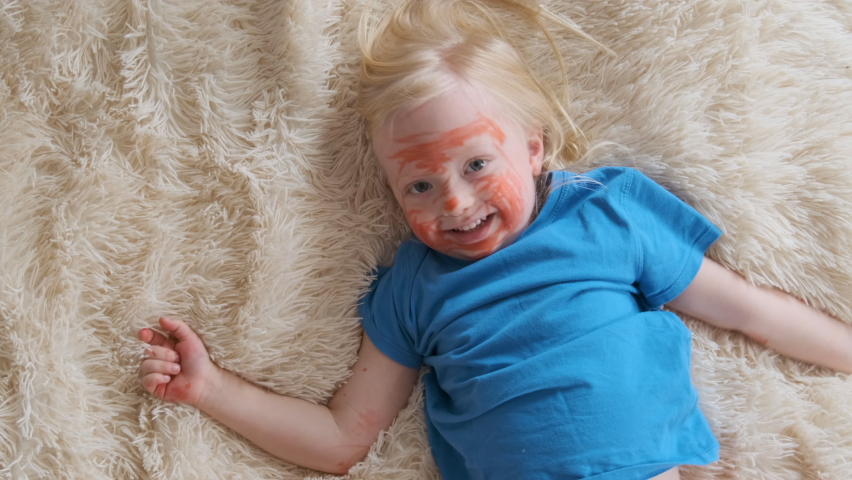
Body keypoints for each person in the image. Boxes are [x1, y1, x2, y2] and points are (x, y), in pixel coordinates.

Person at [138, 1, 852, 478]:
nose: (454, 200)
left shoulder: (606, 218)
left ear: (533, 148)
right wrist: (215, 391)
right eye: (418, 186)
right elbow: (342, 438)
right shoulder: (414, 288)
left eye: (477, 163)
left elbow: (750, 311)